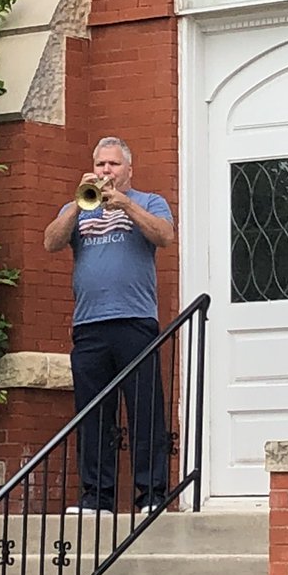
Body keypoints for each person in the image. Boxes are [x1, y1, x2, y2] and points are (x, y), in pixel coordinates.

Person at [43, 136, 174, 514]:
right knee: (93, 412)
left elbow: (165, 236)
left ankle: (151, 496)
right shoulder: (78, 205)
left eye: (113, 165)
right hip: (89, 324)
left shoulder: (149, 202)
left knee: (144, 410)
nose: (106, 172)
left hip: (134, 320)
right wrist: (76, 205)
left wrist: (126, 204)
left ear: (129, 169)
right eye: (101, 165)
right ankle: (95, 498)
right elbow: (51, 242)